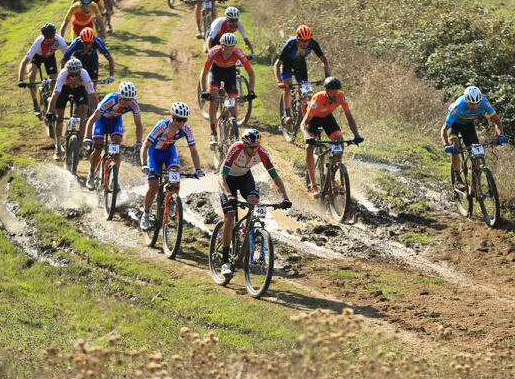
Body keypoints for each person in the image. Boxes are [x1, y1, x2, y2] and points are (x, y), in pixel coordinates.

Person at [217, 129, 291, 277]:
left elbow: (275, 177)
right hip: (228, 180)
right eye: (251, 147)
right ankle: (225, 261)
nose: (254, 149)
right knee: (230, 215)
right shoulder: (236, 149)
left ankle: (246, 235)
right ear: (244, 145)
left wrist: (285, 198)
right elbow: (221, 177)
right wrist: (229, 195)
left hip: (245, 178)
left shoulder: (262, 152)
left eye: (257, 145)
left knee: (254, 204)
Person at [139, 102, 205, 231]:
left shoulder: (187, 129)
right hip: (154, 154)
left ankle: (173, 200)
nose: (181, 123)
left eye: (184, 120)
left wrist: (198, 170)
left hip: (169, 152)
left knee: (175, 177)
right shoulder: (161, 126)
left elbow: (193, 151)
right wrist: (144, 164)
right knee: (153, 187)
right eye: (179, 119)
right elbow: (145, 145)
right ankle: (145, 214)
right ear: (172, 117)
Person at [300, 76, 363, 197]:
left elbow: (350, 118)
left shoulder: (341, 96)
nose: (336, 94)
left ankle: (333, 176)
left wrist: (356, 135)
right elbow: (304, 123)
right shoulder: (318, 99)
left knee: (339, 140)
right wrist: (307, 136)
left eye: (337, 91)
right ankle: (313, 185)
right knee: (309, 147)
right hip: (313, 119)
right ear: (327, 91)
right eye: (333, 92)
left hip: (328, 118)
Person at [441, 86, 507, 187]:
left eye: (477, 104)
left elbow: (497, 120)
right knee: (455, 146)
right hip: (454, 125)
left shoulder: (485, 102)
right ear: (466, 101)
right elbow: (444, 129)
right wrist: (446, 144)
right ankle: (458, 178)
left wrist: (500, 135)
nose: (475, 107)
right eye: (472, 104)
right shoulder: (458, 106)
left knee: (478, 153)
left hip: (468, 125)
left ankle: (474, 185)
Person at [83, 81, 144, 189]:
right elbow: (92, 119)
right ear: (120, 95)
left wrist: (139, 142)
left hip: (115, 122)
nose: (127, 102)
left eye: (130, 99)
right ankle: (91, 174)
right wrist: (87, 137)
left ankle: (113, 179)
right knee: (98, 148)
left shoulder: (134, 104)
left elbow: (138, 125)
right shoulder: (110, 100)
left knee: (116, 146)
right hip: (101, 121)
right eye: (125, 99)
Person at [198, 33, 256, 146]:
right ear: (221, 46)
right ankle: (213, 133)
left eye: (231, 48)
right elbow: (204, 72)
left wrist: (251, 91)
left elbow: (250, 72)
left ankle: (231, 133)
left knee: (232, 105)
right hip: (216, 72)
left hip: (230, 74)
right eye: (226, 48)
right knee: (213, 99)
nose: (228, 51)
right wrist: (204, 90)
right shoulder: (214, 52)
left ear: (234, 47)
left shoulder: (238, 52)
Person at [274, 24, 330, 122]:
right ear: (297, 38)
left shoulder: (312, 43)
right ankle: (287, 114)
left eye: (307, 40)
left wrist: (327, 77)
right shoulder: (290, 44)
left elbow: (324, 61)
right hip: (287, 63)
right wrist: (279, 81)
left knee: (306, 90)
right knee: (288, 86)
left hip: (300, 63)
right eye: (302, 41)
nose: (304, 43)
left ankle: (304, 115)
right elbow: (277, 65)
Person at [45, 58, 98, 160]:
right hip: (64, 90)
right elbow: (55, 95)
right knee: (59, 117)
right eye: (71, 74)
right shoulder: (63, 74)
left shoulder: (84, 74)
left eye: (76, 74)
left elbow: (93, 95)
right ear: (67, 71)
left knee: (84, 114)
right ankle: (58, 147)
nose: (74, 77)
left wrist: (97, 111)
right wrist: (49, 112)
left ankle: (81, 145)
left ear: (80, 71)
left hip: (79, 90)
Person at [16, 23, 68, 115]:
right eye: (46, 36)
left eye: (51, 36)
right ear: (42, 35)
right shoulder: (38, 43)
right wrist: (20, 80)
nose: (48, 39)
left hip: (50, 57)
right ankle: (35, 102)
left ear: (54, 34)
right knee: (31, 75)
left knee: (53, 80)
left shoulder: (60, 41)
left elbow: (67, 57)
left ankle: (53, 102)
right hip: (37, 57)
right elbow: (24, 62)